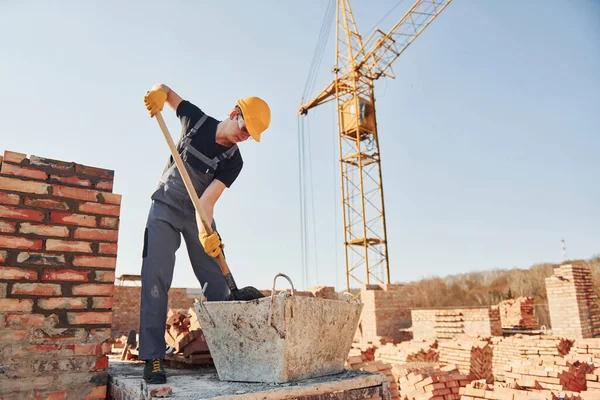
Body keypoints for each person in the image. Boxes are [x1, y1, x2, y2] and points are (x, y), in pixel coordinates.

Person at [139, 84, 271, 384]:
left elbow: (207, 202)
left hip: (198, 215)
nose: (245, 135)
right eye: (245, 126)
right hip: (165, 207)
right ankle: (153, 358)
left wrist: (206, 233)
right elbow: (169, 94)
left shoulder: (234, 161)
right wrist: (158, 93)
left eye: (251, 134)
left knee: (217, 282)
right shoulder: (195, 120)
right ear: (234, 113)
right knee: (155, 278)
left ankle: (223, 353)